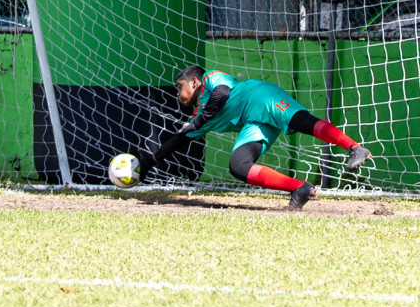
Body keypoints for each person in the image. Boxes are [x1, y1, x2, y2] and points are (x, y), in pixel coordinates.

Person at [135, 65, 374, 210]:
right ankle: (300, 189)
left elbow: (223, 93)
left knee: (301, 121)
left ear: (194, 82)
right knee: (238, 166)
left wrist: (198, 121)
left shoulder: (210, 79)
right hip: (254, 123)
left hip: (260, 97)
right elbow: (179, 139)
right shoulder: (199, 115)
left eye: (180, 86)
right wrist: (149, 162)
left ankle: (354, 147)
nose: (178, 93)